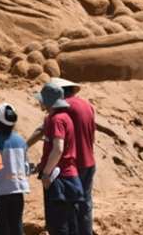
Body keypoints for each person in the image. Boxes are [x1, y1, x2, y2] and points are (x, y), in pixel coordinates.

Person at [37, 83, 85, 235]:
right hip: (69, 176)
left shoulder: (56, 120)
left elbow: (58, 149)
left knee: (59, 225)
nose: (40, 102)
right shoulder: (65, 117)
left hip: (59, 178)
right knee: (71, 223)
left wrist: (46, 173)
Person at [50, 79, 96, 235]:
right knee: (86, 203)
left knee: (70, 205)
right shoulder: (87, 105)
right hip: (89, 159)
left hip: (74, 163)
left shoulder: (64, 108)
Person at [0, 104, 30, 235]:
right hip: (17, 189)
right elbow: (26, 167)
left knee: (1, 226)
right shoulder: (21, 141)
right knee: (16, 224)